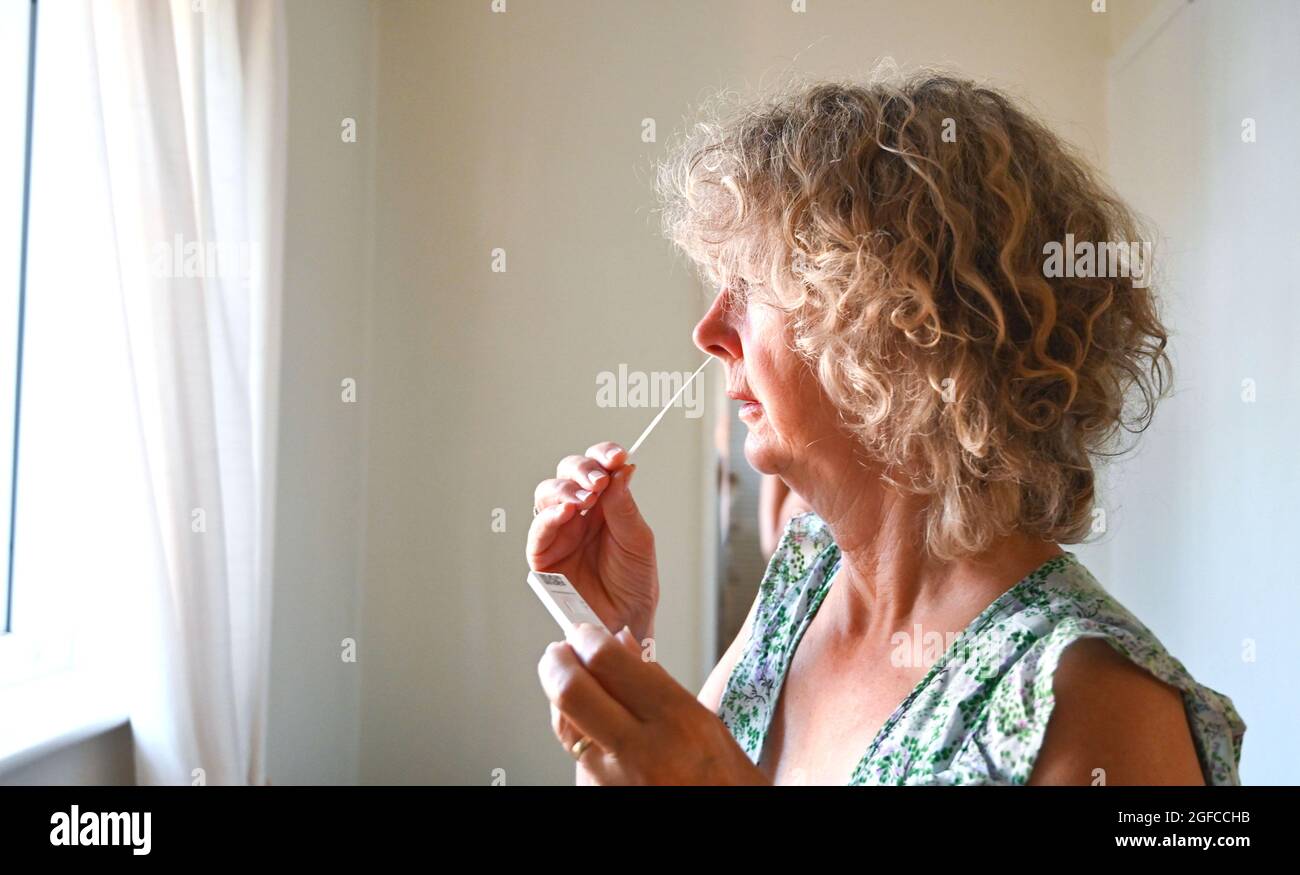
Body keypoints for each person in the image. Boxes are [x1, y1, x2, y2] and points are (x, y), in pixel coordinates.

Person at [528, 73, 1245, 785]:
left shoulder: (1100, 704)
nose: (709, 330)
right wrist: (618, 639)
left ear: (902, 324)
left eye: (749, 285)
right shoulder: (806, 577)